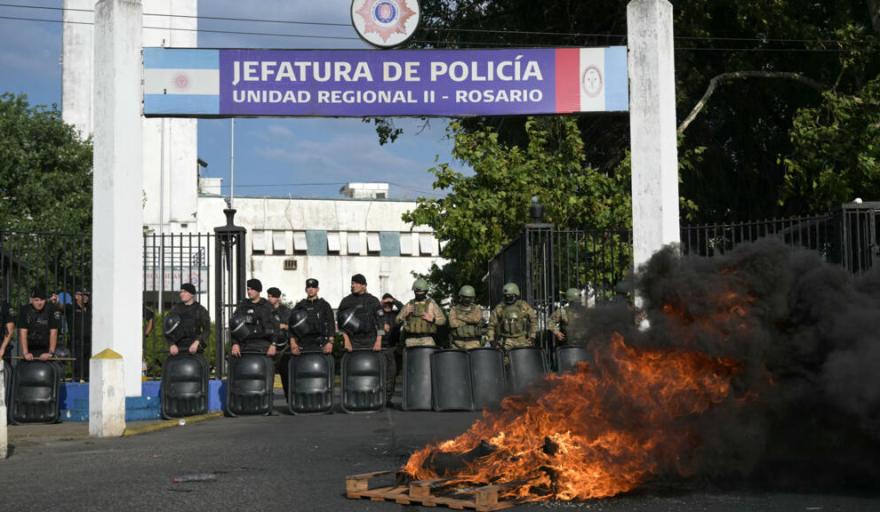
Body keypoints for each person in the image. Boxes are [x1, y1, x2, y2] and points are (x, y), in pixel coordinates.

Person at [284, 278, 335, 398]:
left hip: (320, 345)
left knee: (321, 375)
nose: (311, 289)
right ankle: (303, 400)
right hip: (303, 345)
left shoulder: (324, 305)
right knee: (303, 375)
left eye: (313, 287)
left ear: (317, 289)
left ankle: (322, 399)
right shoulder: (300, 306)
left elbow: (331, 325)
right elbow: (291, 326)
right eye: (309, 287)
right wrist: (293, 343)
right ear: (306, 289)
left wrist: (330, 342)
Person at [230, 279, 278, 358]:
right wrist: (235, 344)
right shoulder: (243, 306)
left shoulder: (267, 306)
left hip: (263, 345)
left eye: (252, 289)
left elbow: (276, 327)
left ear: (258, 290)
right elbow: (234, 325)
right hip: (245, 345)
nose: (249, 292)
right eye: (248, 289)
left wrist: (273, 344)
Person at [336, 274, 383, 352]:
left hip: (371, 340)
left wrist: (378, 341)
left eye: (356, 283)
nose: (353, 286)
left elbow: (380, 322)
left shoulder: (373, 300)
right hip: (352, 341)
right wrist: (346, 340)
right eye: (352, 283)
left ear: (364, 285)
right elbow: (340, 322)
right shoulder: (346, 301)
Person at [487, 282, 538, 351]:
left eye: (510, 297)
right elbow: (491, 325)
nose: (508, 298)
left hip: (522, 339)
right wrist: (492, 340)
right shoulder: (500, 308)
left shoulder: (523, 306)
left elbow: (534, 320)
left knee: (524, 356)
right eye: (506, 297)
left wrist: (532, 336)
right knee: (505, 357)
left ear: (516, 295)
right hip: (505, 340)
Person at [396, 278, 446, 347]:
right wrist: (404, 315)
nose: (419, 294)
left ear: (425, 292)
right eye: (417, 292)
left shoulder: (431, 304)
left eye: (421, 292)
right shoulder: (409, 305)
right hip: (411, 340)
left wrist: (433, 320)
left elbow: (443, 321)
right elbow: (396, 321)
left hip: (427, 340)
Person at [164, 283, 211, 356]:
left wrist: (197, 343)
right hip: (177, 348)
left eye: (185, 292)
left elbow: (206, 330)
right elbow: (166, 327)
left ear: (192, 294)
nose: (181, 294)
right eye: (181, 292)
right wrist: (171, 344)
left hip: (195, 348)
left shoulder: (201, 310)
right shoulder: (175, 309)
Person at [18, 289, 60, 361]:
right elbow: (22, 332)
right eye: (36, 300)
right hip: (30, 348)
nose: (39, 303)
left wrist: (50, 353)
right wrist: (25, 353)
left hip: (46, 348)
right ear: (31, 300)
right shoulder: (25, 310)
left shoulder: (51, 309)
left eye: (42, 300)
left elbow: (54, 332)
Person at [380, 293, 403, 404]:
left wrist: (394, 300)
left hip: (393, 348)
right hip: (380, 347)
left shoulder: (396, 314)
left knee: (392, 374)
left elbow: (404, 309)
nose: (388, 304)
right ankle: (379, 398)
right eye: (386, 302)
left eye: (390, 302)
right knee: (380, 374)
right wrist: (381, 304)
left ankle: (388, 399)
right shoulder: (378, 314)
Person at [448, 285, 484, 350]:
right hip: (457, 343)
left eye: (469, 298)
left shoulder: (476, 309)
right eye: (465, 297)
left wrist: (460, 317)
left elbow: (476, 320)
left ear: (472, 298)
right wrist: (469, 322)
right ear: (461, 297)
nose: (467, 300)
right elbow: (453, 324)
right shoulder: (454, 309)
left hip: (474, 342)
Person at [68, 289, 92, 380]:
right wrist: (55, 302)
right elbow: (60, 307)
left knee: (88, 367)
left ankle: (87, 381)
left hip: (89, 342)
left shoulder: (90, 308)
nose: (85, 297)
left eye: (86, 295)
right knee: (77, 367)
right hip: (76, 342)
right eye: (82, 295)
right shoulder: (71, 308)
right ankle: (78, 382)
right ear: (76, 296)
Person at [0, 298, 16, 365]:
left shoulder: (5, 306)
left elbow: (10, 329)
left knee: (3, 370)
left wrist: (2, 349)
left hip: (2, 346)